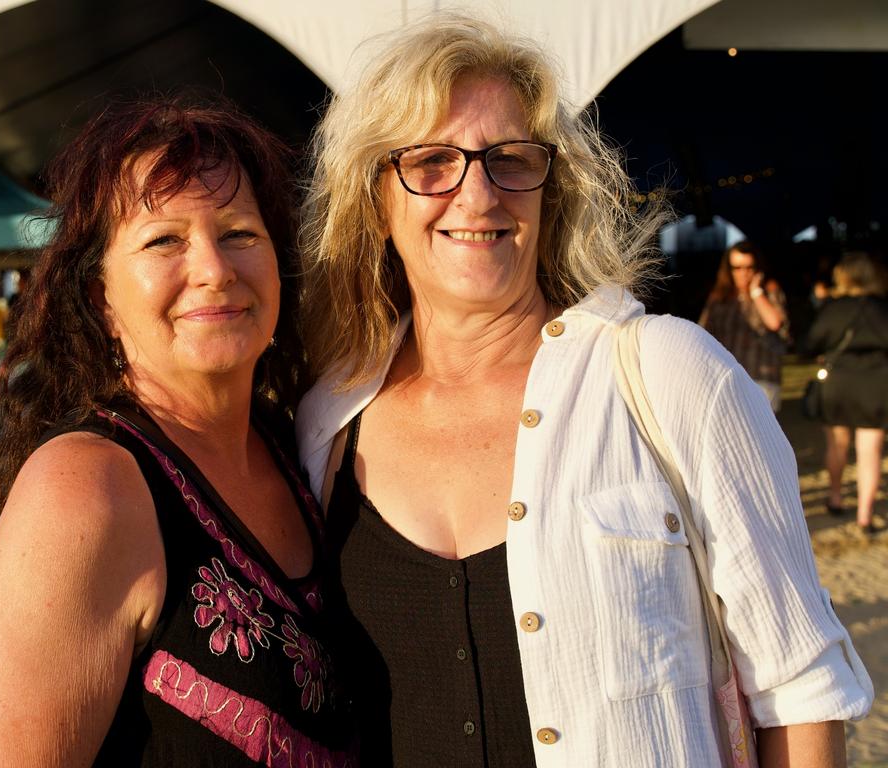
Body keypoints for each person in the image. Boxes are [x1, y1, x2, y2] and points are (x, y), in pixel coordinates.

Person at [295, 14, 872, 768]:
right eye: (432, 162)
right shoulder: (327, 426)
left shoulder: (668, 376)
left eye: (510, 158)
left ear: (551, 188)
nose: (477, 195)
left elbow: (800, 689)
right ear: (375, 201)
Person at [0, 99, 356, 767]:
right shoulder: (85, 491)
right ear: (101, 299)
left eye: (240, 234)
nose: (215, 270)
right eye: (164, 240)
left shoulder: (295, 447)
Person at [807, 251, 888, 534]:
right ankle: (865, 515)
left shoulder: (833, 308)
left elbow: (809, 344)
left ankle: (835, 497)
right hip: (876, 384)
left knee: (837, 446)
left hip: (838, 384)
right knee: (871, 451)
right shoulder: (882, 308)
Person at [700, 241, 790, 410]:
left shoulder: (769, 290)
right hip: (727, 376)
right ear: (729, 269)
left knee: (760, 434)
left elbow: (775, 322)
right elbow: (703, 332)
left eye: (749, 267)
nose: (744, 273)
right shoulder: (720, 297)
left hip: (762, 376)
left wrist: (756, 293)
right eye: (737, 268)